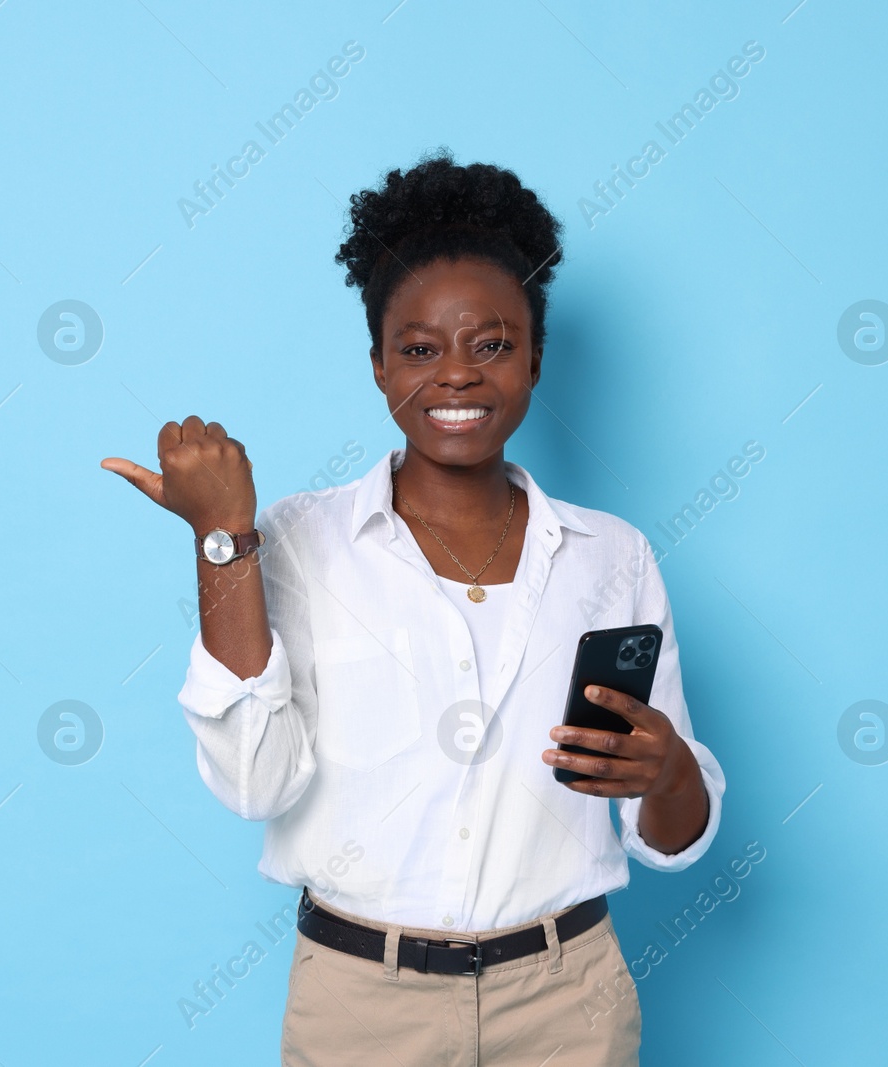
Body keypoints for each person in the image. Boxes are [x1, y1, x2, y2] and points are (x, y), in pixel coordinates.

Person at [101, 150, 724, 1066]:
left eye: (493, 343)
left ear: (537, 357)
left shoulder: (612, 556)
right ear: (379, 364)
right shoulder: (302, 543)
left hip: (568, 1003)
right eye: (420, 349)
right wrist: (221, 537)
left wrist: (669, 774)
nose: (458, 375)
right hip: (363, 1006)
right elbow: (253, 785)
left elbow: (668, 834)